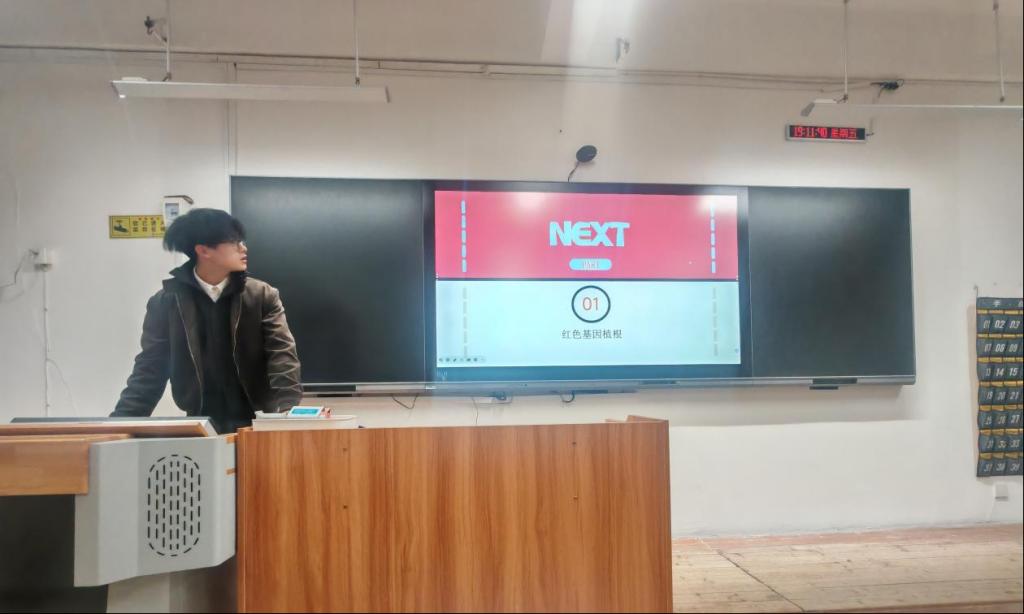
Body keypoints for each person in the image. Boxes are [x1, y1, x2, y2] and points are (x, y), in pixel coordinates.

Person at [111, 208, 302, 432]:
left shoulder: (261, 295)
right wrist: (118, 425)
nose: (243, 248)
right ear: (203, 250)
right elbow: (150, 369)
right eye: (234, 242)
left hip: (259, 420)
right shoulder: (165, 302)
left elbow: (282, 356)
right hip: (201, 422)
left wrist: (289, 413)